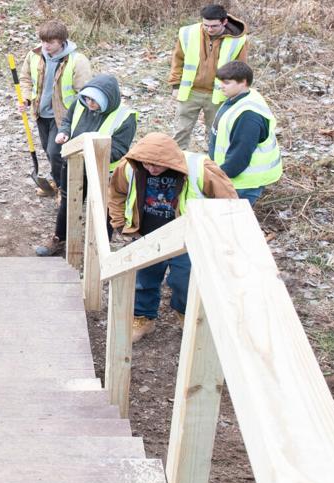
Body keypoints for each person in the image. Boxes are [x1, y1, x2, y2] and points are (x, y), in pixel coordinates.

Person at [109, 132, 237, 342]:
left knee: (183, 280)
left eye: (157, 165)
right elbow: (117, 193)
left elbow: (228, 200)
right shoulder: (129, 166)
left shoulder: (199, 168)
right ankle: (143, 317)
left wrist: (220, 234)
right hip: (147, 235)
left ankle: (186, 313)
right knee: (144, 278)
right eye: (147, 164)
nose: (151, 169)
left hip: (186, 239)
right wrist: (119, 222)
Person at [37, 72, 138, 257]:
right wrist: (64, 132)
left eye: (94, 101)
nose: (89, 104)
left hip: (104, 172)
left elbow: (119, 149)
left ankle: (100, 250)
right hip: (73, 163)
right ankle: (60, 239)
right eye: (88, 99)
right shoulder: (81, 102)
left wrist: (90, 152)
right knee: (68, 202)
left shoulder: (125, 117)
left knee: (103, 209)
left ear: (108, 100)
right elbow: (67, 120)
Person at [24, 20, 92, 203]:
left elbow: (85, 92)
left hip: (63, 117)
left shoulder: (78, 61)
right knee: (48, 150)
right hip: (41, 113)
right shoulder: (34, 55)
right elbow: (25, 78)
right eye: (43, 41)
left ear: (61, 41)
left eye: (50, 42)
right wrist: (26, 98)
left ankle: (64, 189)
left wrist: (77, 118)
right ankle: (56, 181)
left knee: (55, 152)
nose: (45, 46)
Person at [167, 4, 250, 151]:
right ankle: (176, 160)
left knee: (216, 134)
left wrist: (236, 94)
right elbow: (178, 60)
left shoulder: (238, 41)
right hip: (190, 92)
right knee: (181, 131)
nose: (209, 29)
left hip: (218, 95)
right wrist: (175, 85)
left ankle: (211, 160)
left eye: (214, 26)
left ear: (224, 22)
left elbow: (240, 69)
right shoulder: (188, 33)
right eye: (206, 25)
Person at [211, 61, 282, 206]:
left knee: (232, 217)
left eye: (226, 82)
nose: (221, 86)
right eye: (220, 81)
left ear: (243, 82)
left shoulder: (248, 116)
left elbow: (240, 155)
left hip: (242, 182)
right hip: (230, 176)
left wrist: (219, 176)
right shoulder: (237, 98)